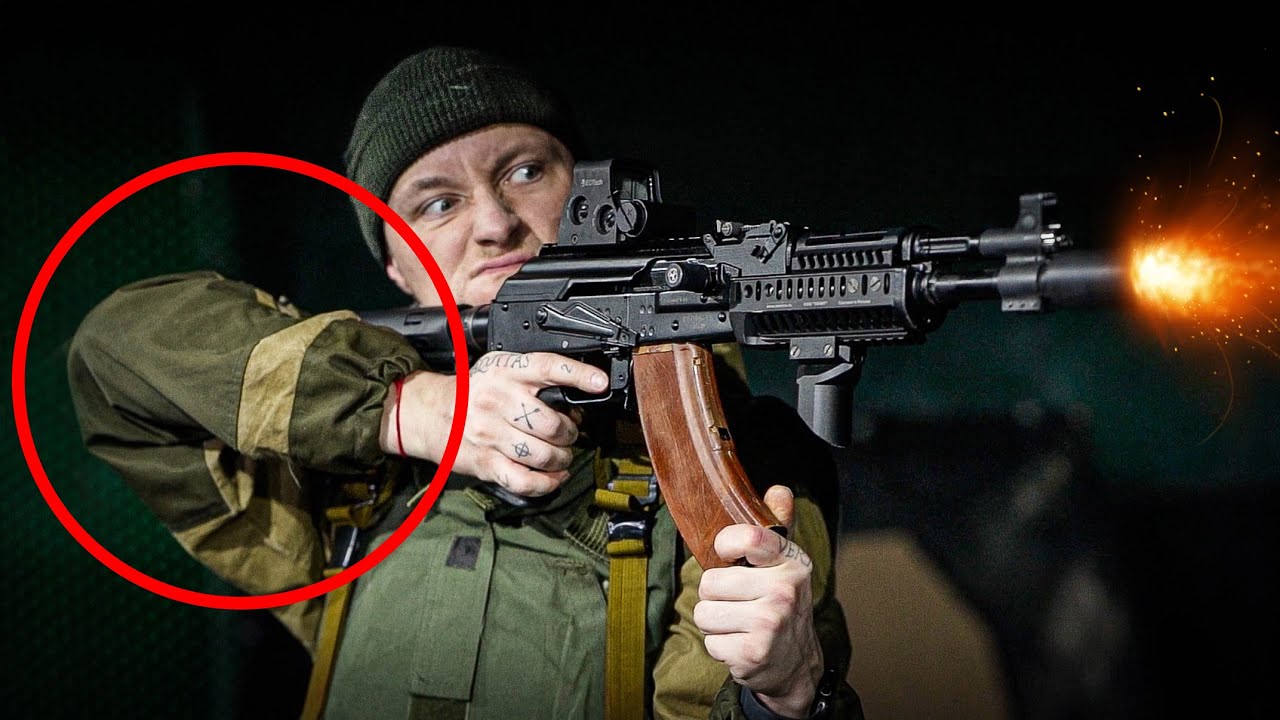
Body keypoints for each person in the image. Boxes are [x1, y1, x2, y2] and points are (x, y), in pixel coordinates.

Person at [67, 45, 862, 719]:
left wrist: (786, 692)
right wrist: (407, 409)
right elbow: (115, 352)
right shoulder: (344, 470)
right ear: (395, 264)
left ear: (588, 195)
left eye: (526, 171)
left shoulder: (727, 451)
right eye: (438, 203)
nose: (493, 223)